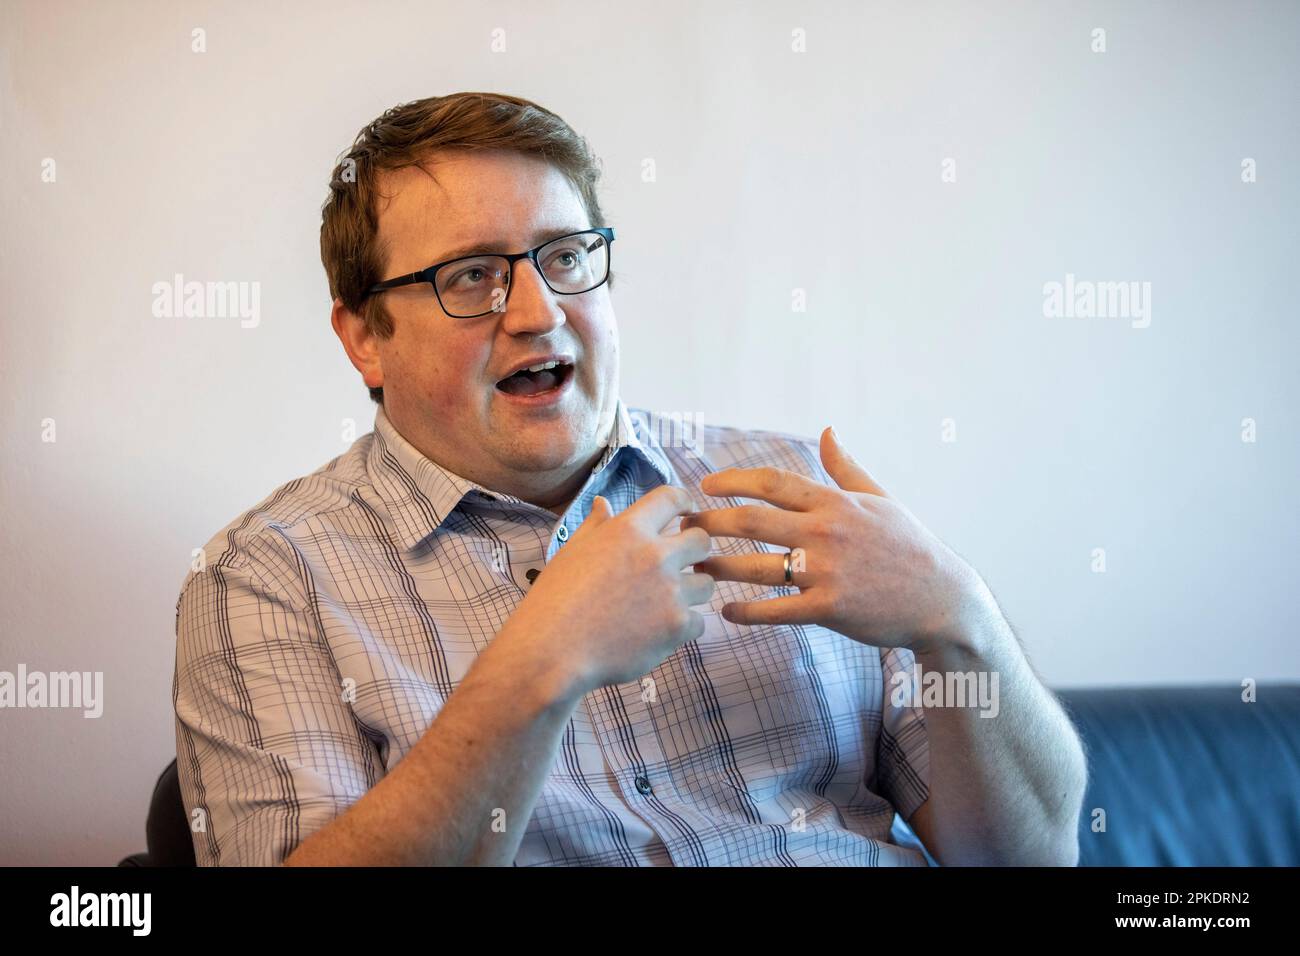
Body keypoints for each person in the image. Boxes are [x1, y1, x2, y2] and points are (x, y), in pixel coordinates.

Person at [173, 91, 1087, 866]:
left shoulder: (787, 489)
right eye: (472, 277)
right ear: (366, 336)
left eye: (565, 257)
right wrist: (541, 665)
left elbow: (1027, 855)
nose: (537, 312)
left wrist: (957, 619)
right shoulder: (263, 578)